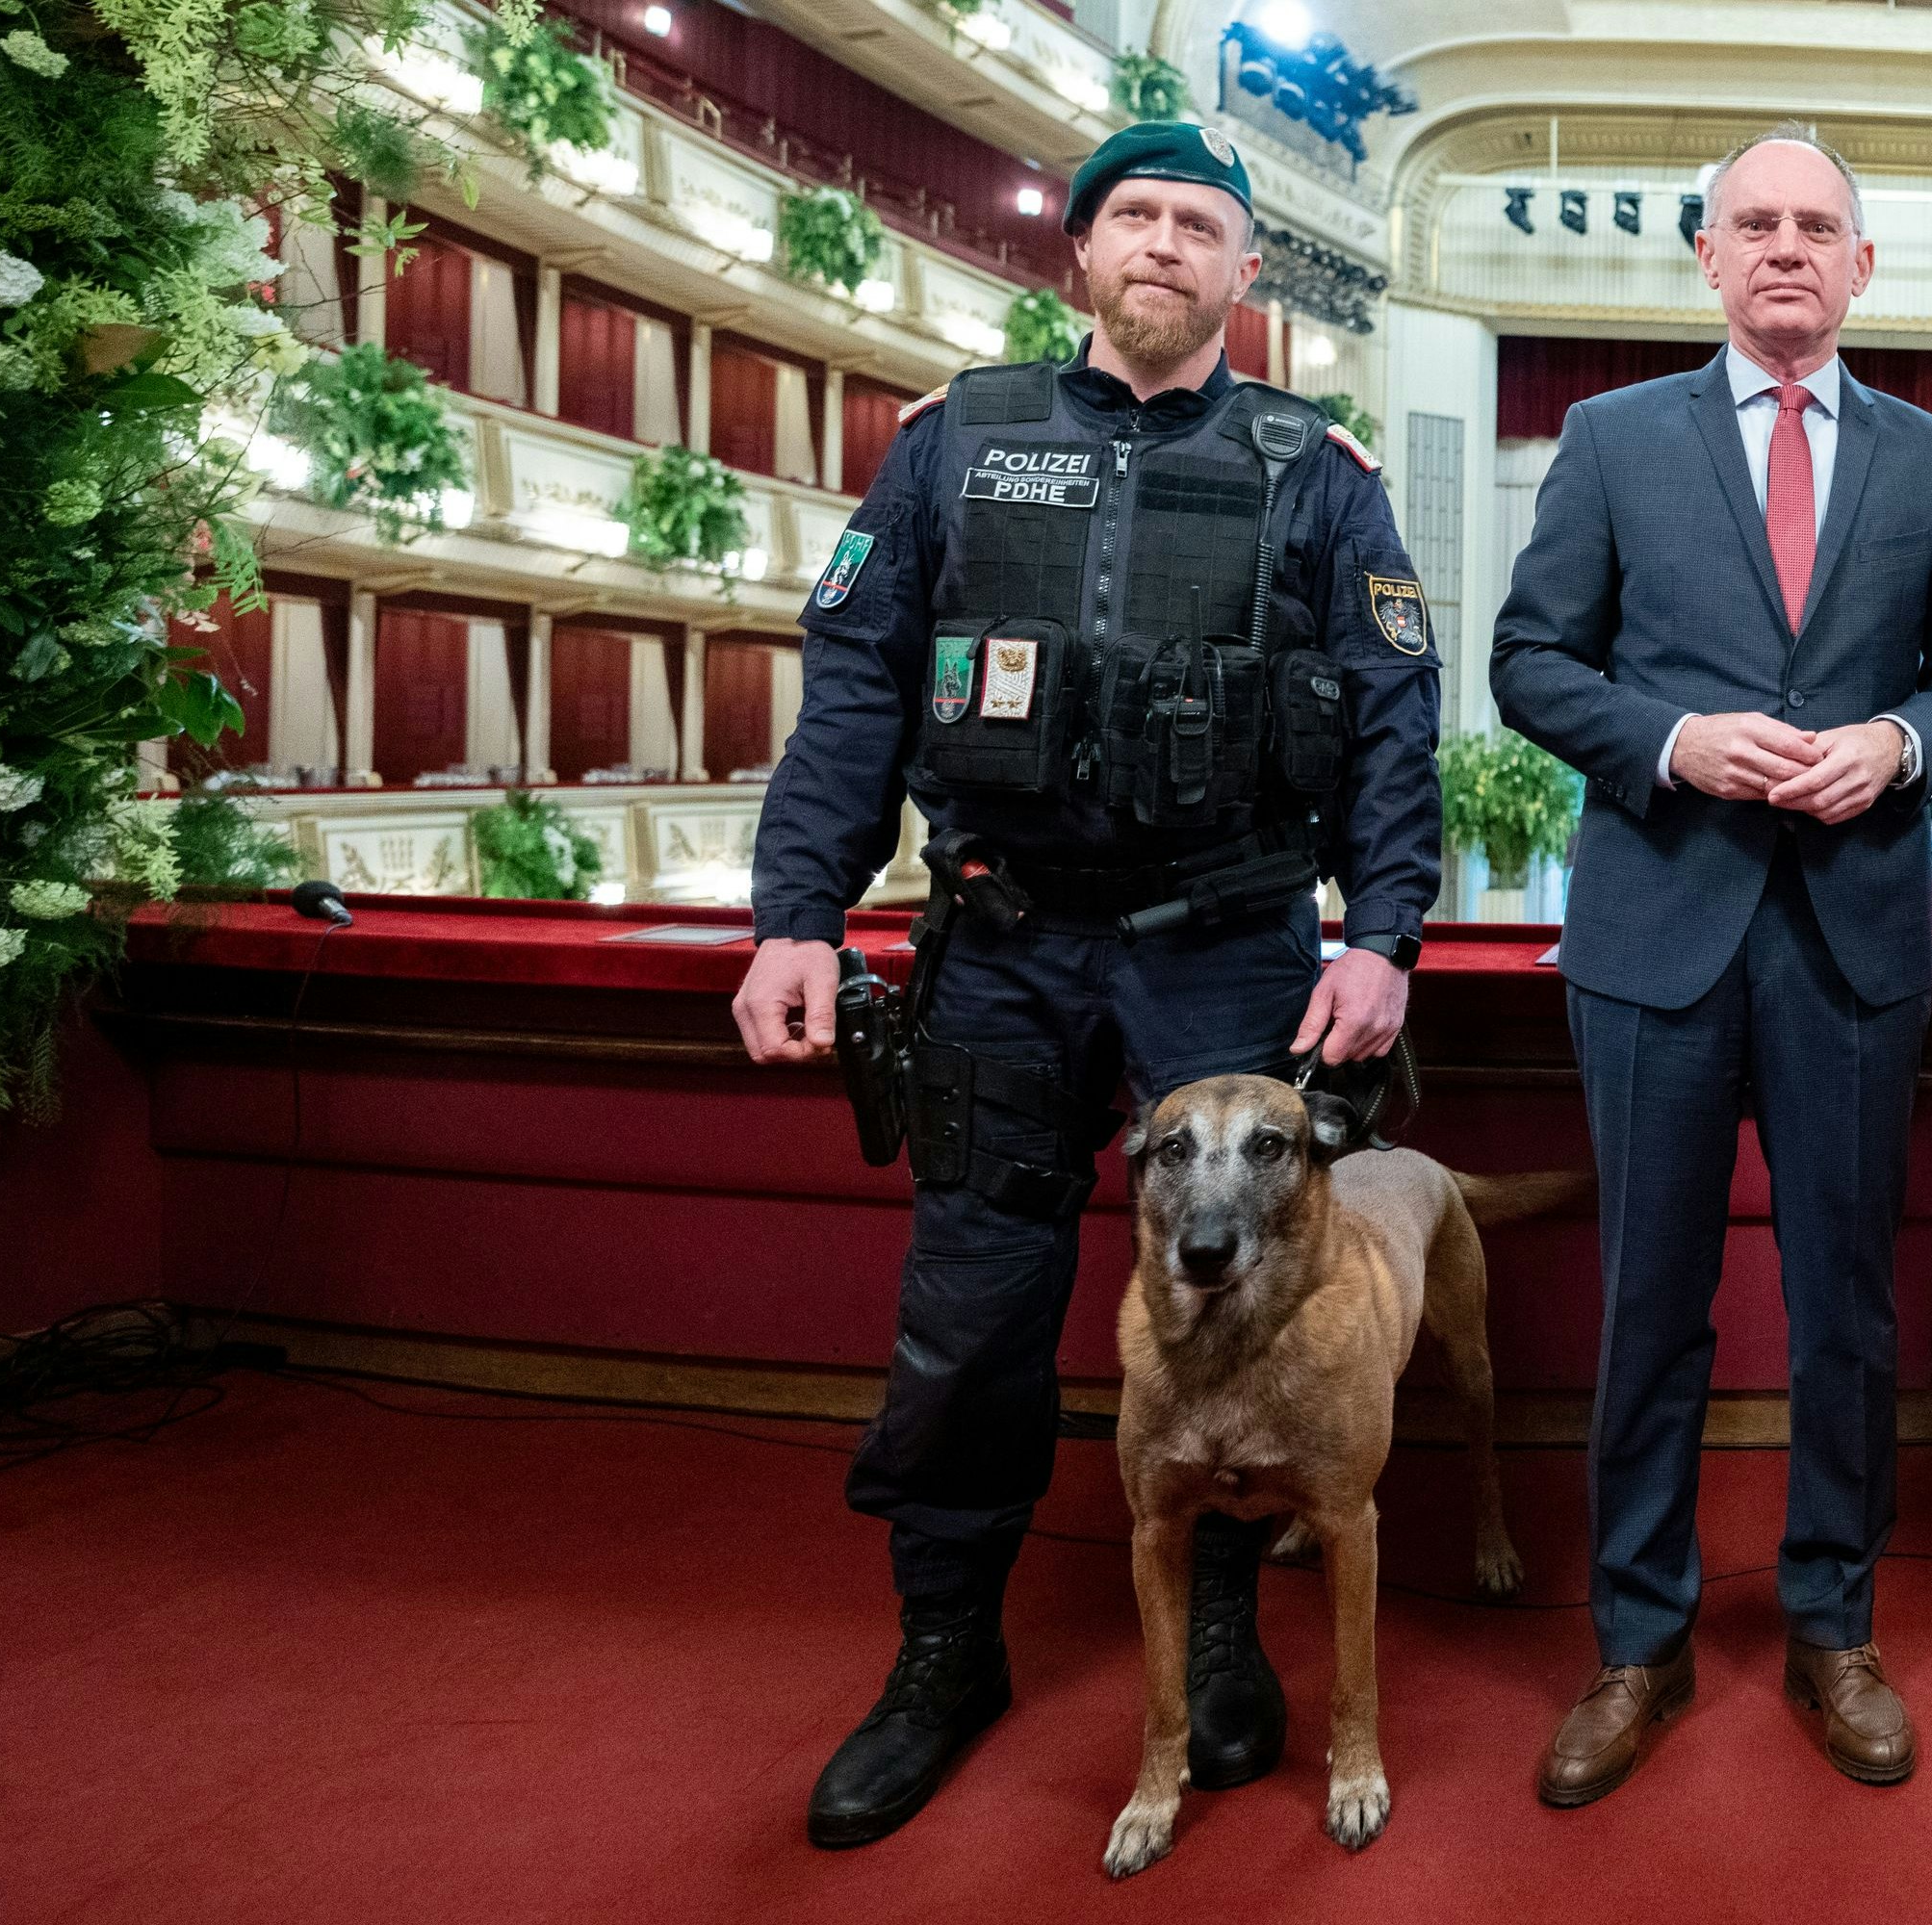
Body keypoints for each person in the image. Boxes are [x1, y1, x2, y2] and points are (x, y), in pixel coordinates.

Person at [728, 120, 1441, 1849]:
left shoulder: (1318, 470)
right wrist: (793, 912)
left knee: (1250, 1299)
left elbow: (1393, 711)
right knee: (971, 1310)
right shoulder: (952, 448)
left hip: (1231, 945)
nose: (1169, 245)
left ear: (1244, 271)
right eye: (1139, 215)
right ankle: (946, 1649)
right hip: (1005, 946)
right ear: (1081, 252)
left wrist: (1384, 931)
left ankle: (1215, 1631)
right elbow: (854, 693)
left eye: (1205, 225)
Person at [1489, 122, 1932, 1806]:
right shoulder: (1610, 437)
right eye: (1753, 225)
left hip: (1852, 940)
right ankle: (1634, 1642)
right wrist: (1669, 739)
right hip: (1658, 931)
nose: (1786, 249)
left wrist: (1900, 746)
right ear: (1706, 260)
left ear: (1864, 268)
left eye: (1818, 227)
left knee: (1845, 1308)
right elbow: (1528, 661)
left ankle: (1833, 1624)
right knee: (1652, 1305)